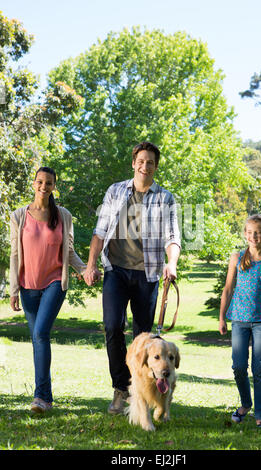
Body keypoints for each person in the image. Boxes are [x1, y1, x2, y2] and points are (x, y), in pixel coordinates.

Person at [84, 141, 181, 415]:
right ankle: (120, 389)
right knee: (113, 327)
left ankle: (141, 394)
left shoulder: (166, 198)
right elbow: (100, 231)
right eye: (141, 161)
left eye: (150, 162)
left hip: (147, 273)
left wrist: (171, 263)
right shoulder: (115, 191)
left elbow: (173, 237)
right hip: (115, 269)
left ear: (155, 167)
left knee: (144, 339)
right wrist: (91, 264)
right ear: (133, 163)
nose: (145, 166)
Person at [10, 167, 86, 413]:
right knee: (37, 340)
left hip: (55, 282)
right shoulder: (19, 216)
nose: (44, 186)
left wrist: (84, 270)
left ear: (54, 186)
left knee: (41, 333)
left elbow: (70, 251)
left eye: (49, 183)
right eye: (40, 181)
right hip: (27, 286)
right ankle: (46, 398)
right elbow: (14, 255)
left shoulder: (63, 215)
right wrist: (13, 290)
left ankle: (40, 397)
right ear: (33, 184)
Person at [219, 214, 261, 427]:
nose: (254, 236)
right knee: (238, 366)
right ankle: (246, 404)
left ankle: (260, 416)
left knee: (259, 369)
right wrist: (222, 317)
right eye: (250, 232)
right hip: (238, 320)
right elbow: (228, 289)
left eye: (258, 232)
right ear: (245, 234)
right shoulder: (237, 257)